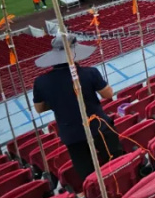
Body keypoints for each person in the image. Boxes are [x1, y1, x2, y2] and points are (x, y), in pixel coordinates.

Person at [33, 34, 121, 180]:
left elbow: (39, 108)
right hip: (99, 127)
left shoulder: (41, 82)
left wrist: (60, 101)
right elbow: (108, 94)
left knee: (88, 174)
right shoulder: (89, 73)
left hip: (72, 134)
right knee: (116, 163)